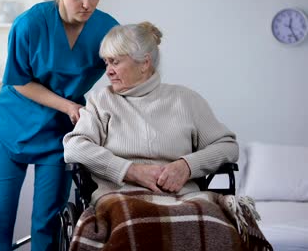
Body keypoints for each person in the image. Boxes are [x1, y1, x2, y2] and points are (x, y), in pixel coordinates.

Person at [0, 0, 119, 250]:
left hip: (59, 134)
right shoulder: (29, 24)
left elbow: (121, 70)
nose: (87, 4)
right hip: (11, 127)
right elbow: (19, 81)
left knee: (49, 222)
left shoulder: (107, 29)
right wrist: (68, 105)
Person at [63, 21, 239, 206]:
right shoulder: (101, 100)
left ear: (144, 63)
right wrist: (129, 170)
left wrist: (187, 166)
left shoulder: (186, 99)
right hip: (120, 198)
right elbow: (74, 148)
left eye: (115, 62)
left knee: (216, 226)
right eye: (106, 62)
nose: (108, 71)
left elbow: (228, 146)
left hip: (183, 199)